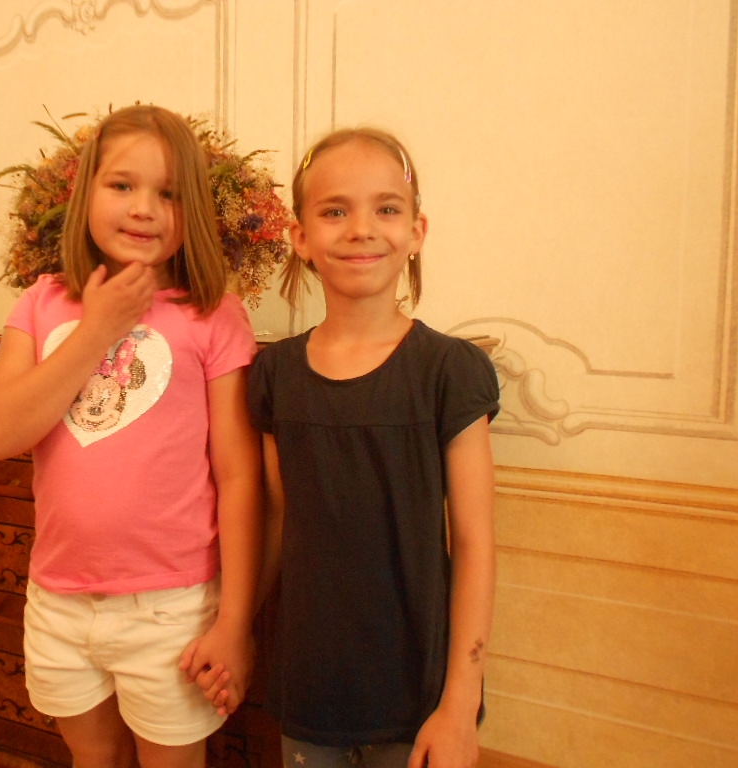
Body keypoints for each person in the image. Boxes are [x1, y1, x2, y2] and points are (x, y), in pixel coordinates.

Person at [0, 104, 262, 768]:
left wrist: (235, 623)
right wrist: (99, 328)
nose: (143, 209)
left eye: (169, 194)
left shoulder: (214, 316)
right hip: (58, 600)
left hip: (171, 607)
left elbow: (240, 477)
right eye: (122, 184)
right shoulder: (42, 303)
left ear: (193, 210)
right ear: (86, 194)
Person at [245, 128, 500, 768]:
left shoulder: (449, 371)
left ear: (416, 230)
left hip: (421, 694)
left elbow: (474, 542)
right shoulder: (275, 374)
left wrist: (460, 702)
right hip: (309, 685)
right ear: (301, 237)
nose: (361, 229)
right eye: (335, 211)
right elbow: (277, 518)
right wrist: (235, 627)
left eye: (386, 208)